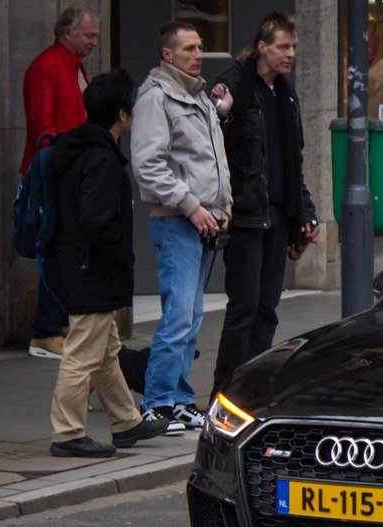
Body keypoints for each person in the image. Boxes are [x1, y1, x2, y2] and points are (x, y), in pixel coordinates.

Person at [47, 70, 169, 458]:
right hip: (90, 270)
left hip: (79, 265)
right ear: (123, 114)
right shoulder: (99, 158)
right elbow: (97, 222)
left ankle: (126, 421)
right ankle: (67, 433)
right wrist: (124, 255)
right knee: (83, 352)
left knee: (106, 350)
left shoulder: (80, 148)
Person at [209, 12, 318, 398]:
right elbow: (218, 118)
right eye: (282, 47)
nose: (290, 54)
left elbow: (295, 162)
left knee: (268, 308)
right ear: (262, 47)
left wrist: (305, 213)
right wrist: (223, 107)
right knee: (244, 308)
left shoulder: (285, 94)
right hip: (245, 216)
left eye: (293, 47)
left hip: (276, 214)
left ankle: (251, 390)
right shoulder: (238, 83)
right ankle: (223, 390)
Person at [131, 22, 232, 434]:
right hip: (177, 221)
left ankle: (179, 397)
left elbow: (210, 161)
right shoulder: (157, 98)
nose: (198, 54)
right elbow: (148, 164)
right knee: (176, 316)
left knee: (190, 316)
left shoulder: (198, 98)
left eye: (201, 47)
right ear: (167, 54)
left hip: (204, 221)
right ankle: (156, 402)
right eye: (189, 48)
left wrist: (223, 207)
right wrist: (193, 207)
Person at [21, 6, 100, 360]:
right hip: (54, 175)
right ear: (67, 32)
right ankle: (45, 331)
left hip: (69, 172)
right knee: (55, 250)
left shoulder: (73, 66)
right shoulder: (47, 66)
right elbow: (44, 129)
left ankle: (59, 323)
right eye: (89, 35)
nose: (94, 42)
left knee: (67, 250)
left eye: (97, 35)